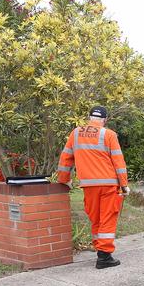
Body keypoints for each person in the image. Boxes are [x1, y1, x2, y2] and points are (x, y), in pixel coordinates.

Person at [57, 106, 130, 269]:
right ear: (104, 120)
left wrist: (64, 179)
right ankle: (104, 256)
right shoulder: (109, 134)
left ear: (89, 118)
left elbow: (66, 158)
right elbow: (118, 162)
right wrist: (124, 184)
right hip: (108, 184)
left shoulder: (75, 133)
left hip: (89, 186)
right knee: (108, 218)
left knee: (96, 218)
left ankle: (101, 250)